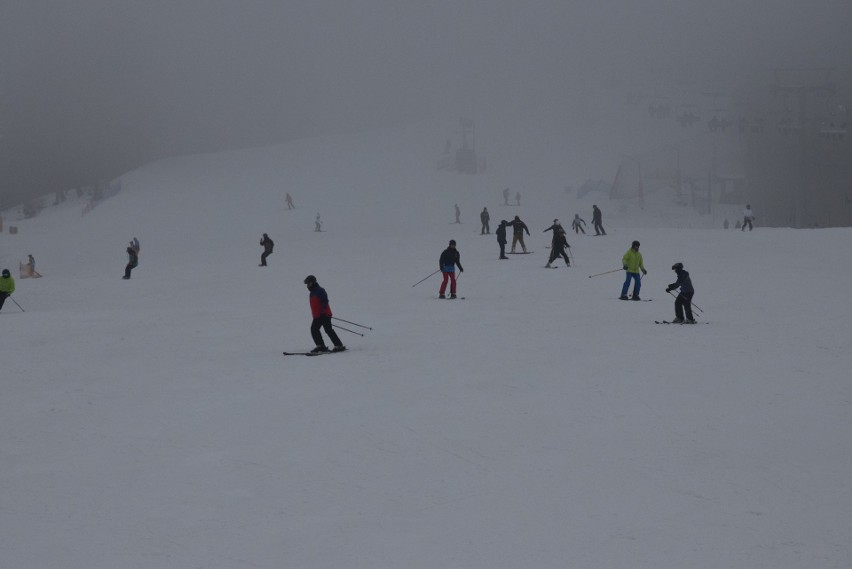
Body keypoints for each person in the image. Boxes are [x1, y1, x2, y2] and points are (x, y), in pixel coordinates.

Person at [303, 275, 345, 353]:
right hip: (317, 316)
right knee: (314, 329)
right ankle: (320, 346)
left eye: (309, 283)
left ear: (313, 282)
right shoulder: (312, 293)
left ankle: (339, 345)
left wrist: (323, 311)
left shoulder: (320, 290)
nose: (307, 285)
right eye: (307, 284)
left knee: (328, 330)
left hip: (324, 314)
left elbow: (325, 301)